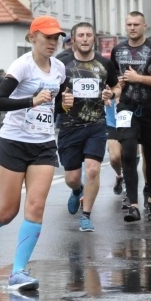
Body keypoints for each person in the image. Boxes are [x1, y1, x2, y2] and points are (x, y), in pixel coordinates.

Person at [0, 16, 72, 291]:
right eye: (47, 37)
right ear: (32, 37)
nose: (52, 42)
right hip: (12, 143)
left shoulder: (59, 68)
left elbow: (53, 107)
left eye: (55, 37)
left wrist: (65, 105)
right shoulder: (21, 66)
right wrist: (30, 100)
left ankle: (18, 272)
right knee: (7, 211)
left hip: (44, 145)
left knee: (35, 206)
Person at [55, 21, 121, 232]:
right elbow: (51, 91)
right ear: (73, 40)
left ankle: (86, 215)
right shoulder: (61, 64)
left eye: (88, 35)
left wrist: (112, 94)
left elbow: (117, 86)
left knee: (92, 170)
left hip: (96, 125)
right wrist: (60, 100)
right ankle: (77, 191)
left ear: (94, 39)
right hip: (69, 126)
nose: (85, 39)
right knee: (72, 178)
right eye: (81, 35)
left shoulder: (104, 64)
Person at [110, 11, 151, 222]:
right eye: (129, 24)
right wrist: (114, 90)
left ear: (144, 26)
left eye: (136, 24)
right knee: (127, 152)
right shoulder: (118, 50)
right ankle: (133, 204)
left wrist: (139, 78)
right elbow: (115, 80)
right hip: (126, 107)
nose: (132, 28)